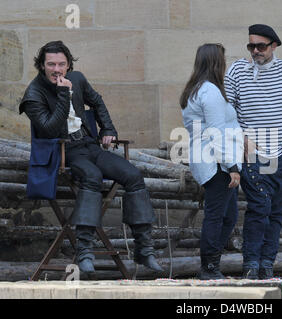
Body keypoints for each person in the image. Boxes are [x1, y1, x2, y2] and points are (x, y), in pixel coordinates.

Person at [19, 41, 163, 274]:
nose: (57, 69)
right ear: (41, 66)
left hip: (89, 145)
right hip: (64, 152)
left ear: (68, 64)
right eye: (51, 64)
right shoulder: (34, 93)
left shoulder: (77, 78)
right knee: (92, 176)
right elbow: (49, 130)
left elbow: (96, 101)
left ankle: (144, 250)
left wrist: (107, 129)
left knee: (133, 175)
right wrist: (63, 94)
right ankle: (84, 250)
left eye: (62, 64)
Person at [224, 24, 282, 279]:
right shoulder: (237, 70)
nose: (255, 51)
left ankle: (267, 264)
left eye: (261, 46)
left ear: (274, 46)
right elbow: (226, 110)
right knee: (259, 207)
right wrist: (243, 139)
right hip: (251, 155)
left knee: (275, 211)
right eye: (252, 46)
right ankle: (251, 264)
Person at [180, 43, 244, 280]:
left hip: (211, 160)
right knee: (217, 216)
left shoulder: (196, 90)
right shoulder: (211, 92)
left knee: (228, 216)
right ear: (217, 63)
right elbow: (217, 134)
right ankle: (209, 268)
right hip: (217, 163)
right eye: (223, 61)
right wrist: (233, 167)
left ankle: (211, 264)